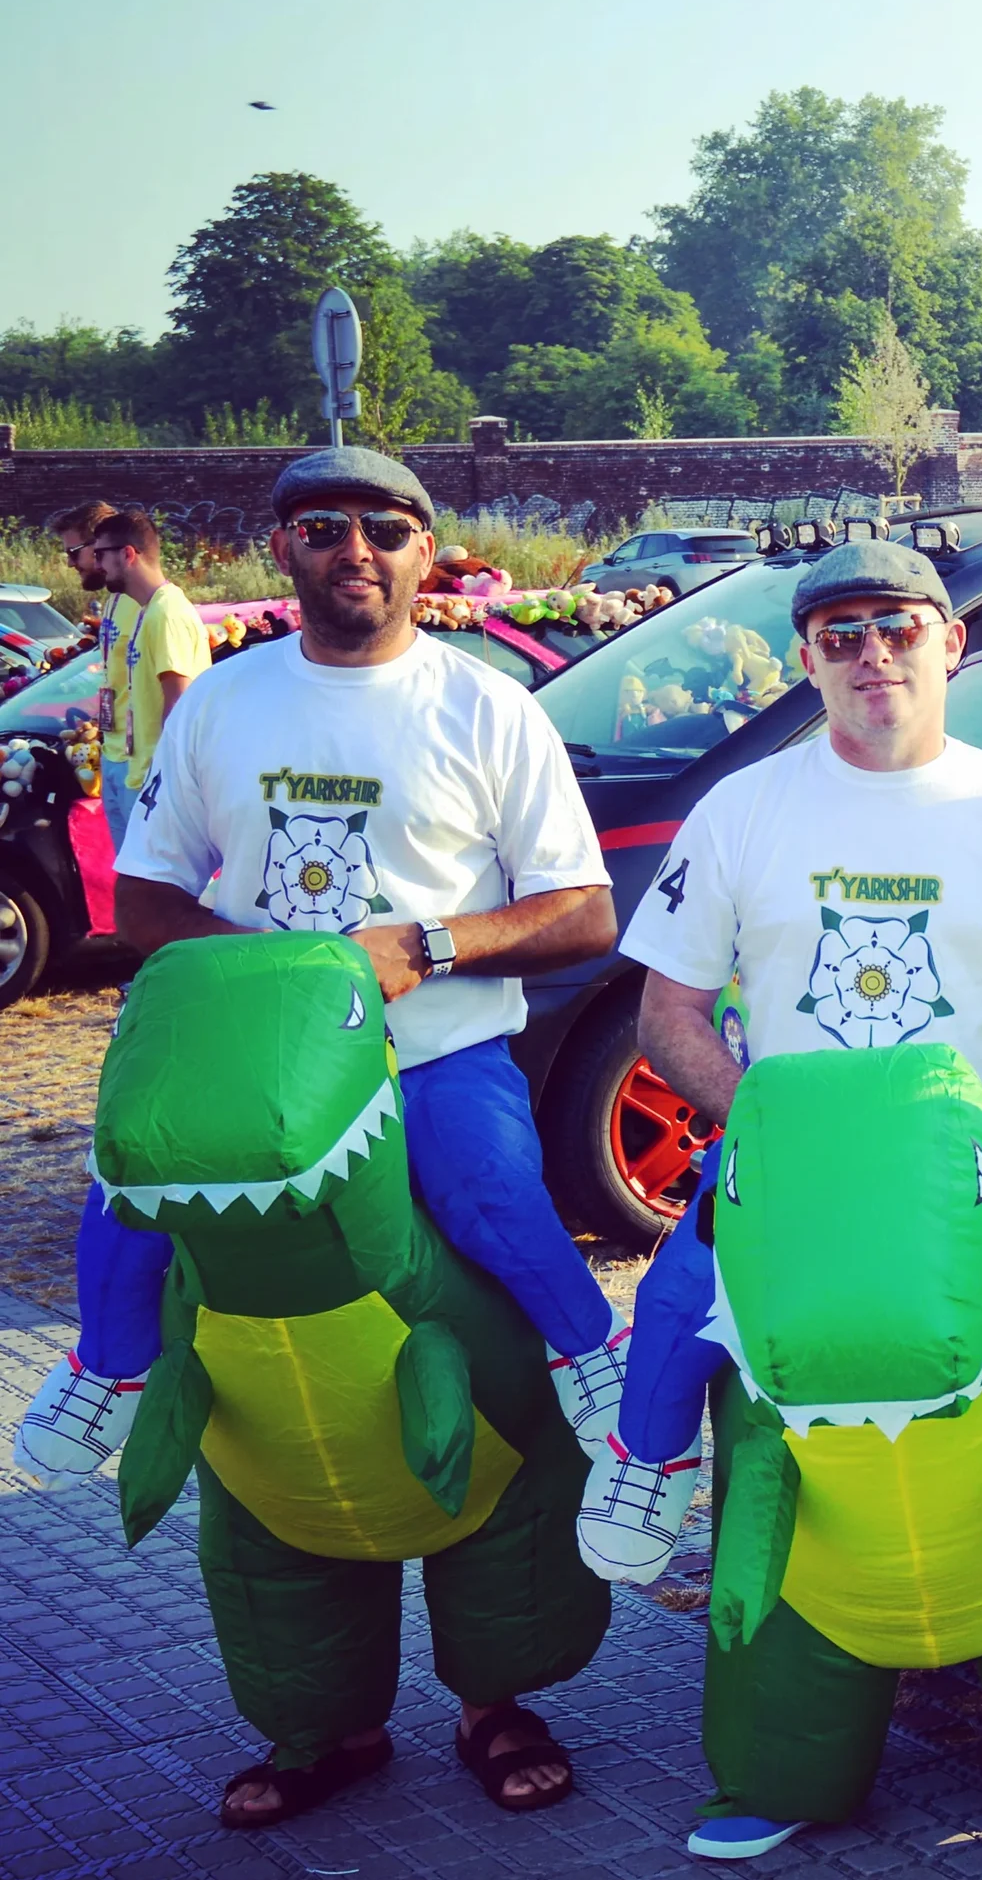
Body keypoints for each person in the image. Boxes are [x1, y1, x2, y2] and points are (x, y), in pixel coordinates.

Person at [16, 451, 659, 1763]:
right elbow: (143, 897)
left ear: (427, 553)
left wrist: (429, 945)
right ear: (284, 549)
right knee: (131, 1183)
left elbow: (583, 908)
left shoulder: (487, 709)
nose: (353, 550)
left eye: (384, 528)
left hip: (432, 1055)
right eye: (322, 528)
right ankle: (107, 1365)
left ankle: (587, 1363)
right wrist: (267, 978)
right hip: (264, 1075)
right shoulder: (229, 701)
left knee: (492, 1193)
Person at [605, 538, 982, 1599]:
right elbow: (665, 1013)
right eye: (840, 637)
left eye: (898, 630)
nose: (873, 656)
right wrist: (764, 1119)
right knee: (675, 1301)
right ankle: (647, 1465)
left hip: (979, 1135)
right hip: (799, 1132)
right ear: (806, 659)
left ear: (951, 641)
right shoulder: (740, 810)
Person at [90, 511, 210, 845]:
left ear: (128, 554)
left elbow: (179, 704)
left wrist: (165, 783)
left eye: (100, 554)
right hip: (137, 774)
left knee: (159, 891)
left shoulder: (166, 612)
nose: (97, 564)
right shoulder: (149, 608)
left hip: (155, 785)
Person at [46, 503, 128, 833]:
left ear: (100, 544)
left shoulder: (153, 608)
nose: (69, 562)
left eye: (74, 552)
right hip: (115, 759)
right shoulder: (114, 604)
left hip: (142, 770)